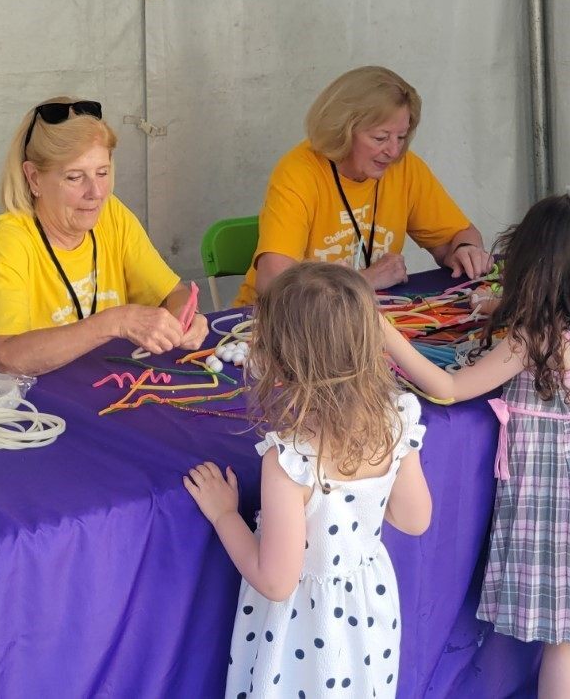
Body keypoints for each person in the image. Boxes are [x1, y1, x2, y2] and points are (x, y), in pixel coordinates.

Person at [384, 195, 570, 699]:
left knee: (564, 640)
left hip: (563, 509)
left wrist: (382, 333)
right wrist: (502, 308)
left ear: (532, 262)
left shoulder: (534, 338)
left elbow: (450, 388)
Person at [182, 262, 433, 697]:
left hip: (304, 628)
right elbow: (414, 520)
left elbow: (277, 583)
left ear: (280, 361)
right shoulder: (399, 419)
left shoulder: (291, 460)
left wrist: (224, 515)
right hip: (368, 615)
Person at [0, 98, 208, 374]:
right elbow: (9, 358)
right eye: (75, 177)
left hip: (92, 380)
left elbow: (173, 293)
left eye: (102, 172)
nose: (96, 193)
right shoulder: (10, 236)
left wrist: (187, 317)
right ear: (34, 179)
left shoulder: (112, 214)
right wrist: (115, 322)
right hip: (9, 399)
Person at [233, 66, 492, 306]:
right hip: (281, 327)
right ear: (343, 130)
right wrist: (365, 280)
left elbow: (458, 236)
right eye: (380, 138)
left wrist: (465, 250)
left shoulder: (405, 168)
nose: (393, 151)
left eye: (401, 137)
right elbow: (274, 282)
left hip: (362, 320)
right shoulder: (300, 171)